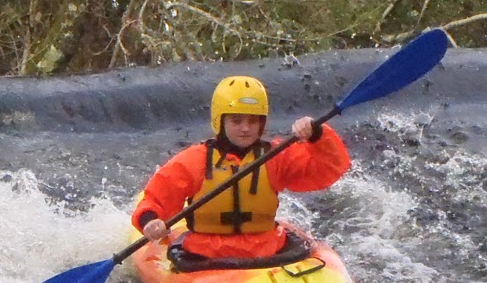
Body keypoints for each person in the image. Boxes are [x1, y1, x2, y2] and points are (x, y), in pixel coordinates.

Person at [132, 75, 351, 262]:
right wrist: (150, 221)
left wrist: (317, 136)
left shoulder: (277, 157)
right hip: (205, 254)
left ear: (262, 123)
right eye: (236, 121)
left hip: (267, 251)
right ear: (221, 121)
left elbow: (331, 168)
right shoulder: (195, 160)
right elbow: (155, 200)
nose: (245, 128)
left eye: (252, 121)